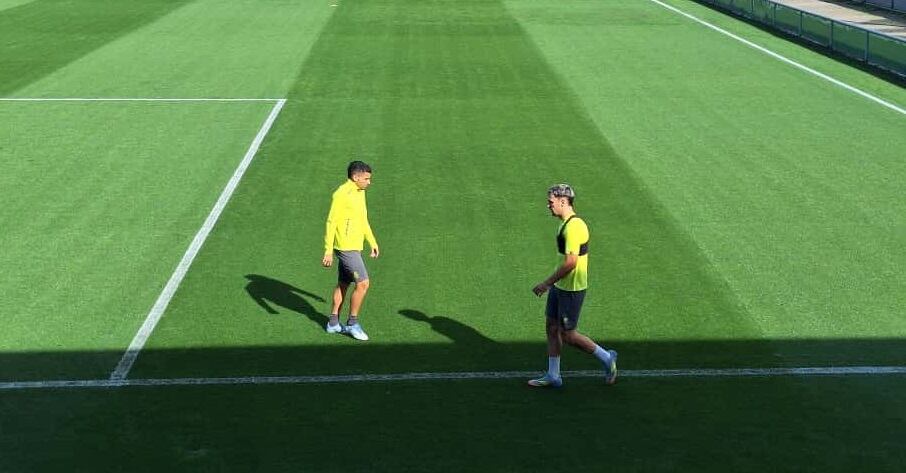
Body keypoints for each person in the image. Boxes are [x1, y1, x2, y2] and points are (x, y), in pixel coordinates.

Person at [529, 184, 617, 387]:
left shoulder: (574, 227)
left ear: (563, 201)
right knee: (551, 327)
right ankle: (553, 375)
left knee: (568, 335)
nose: (548, 206)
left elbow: (571, 263)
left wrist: (546, 284)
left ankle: (607, 358)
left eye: (550, 202)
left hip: (572, 289)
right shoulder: (564, 223)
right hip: (561, 286)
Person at [322, 161, 379, 341]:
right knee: (363, 283)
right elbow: (331, 222)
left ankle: (333, 323)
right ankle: (353, 323)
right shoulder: (341, 194)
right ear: (356, 177)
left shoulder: (360, 192)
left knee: (344, 283)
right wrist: (328, 250)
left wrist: (372, 241)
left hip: (355, 245)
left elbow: (363, 219)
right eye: (366, 179)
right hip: (345, 247)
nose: (369, 182)